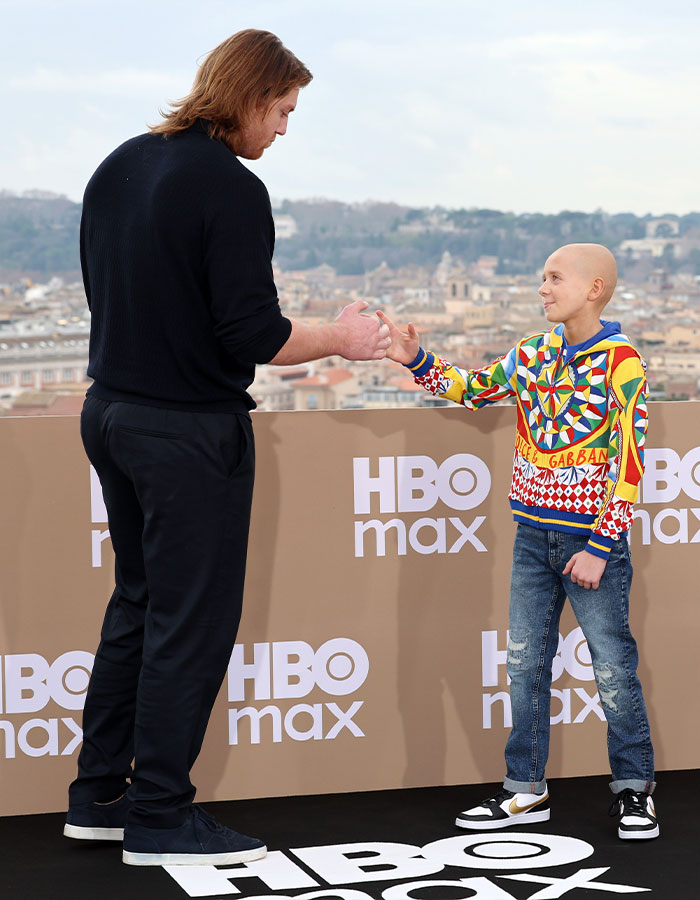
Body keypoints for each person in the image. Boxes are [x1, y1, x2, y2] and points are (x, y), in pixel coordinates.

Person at [63, 29, 390, 867]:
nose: (283, 129)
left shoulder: (119, 164)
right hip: (185, 431)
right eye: (282, 110)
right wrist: (345, 339)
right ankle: (162, 816)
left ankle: (99, 797)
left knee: (137, 605)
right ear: (248, 96)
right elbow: (254, 334)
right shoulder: (231, 190)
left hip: (110, 413)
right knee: (190, 623)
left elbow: (111, 291)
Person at [378, 243, 658, 840]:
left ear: (595, 288)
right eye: (542, 278)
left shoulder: (622, 361)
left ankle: (635, 791)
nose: (542, 288)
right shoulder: (531, 353)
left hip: (590, 541)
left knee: (612, 666)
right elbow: (475, 390)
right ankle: (524, 790)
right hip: (533, 535)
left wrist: (602, 545)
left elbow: (630, 459)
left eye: (555, 278)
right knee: (525, 664)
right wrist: (416, 359)